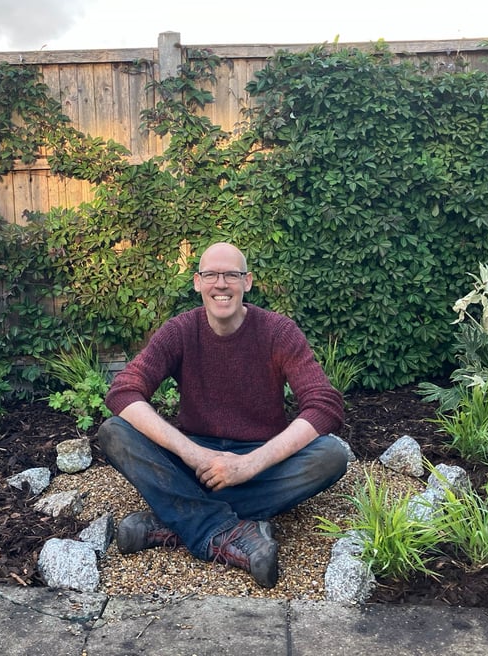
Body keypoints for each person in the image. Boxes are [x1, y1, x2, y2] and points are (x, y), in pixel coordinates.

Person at [97, 242, 347, 589]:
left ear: (247, 282)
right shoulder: (180, 331)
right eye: (212, 274)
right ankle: (233, 530)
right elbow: (123, 390)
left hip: (260, 459)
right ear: (198, 282)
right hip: (195, 459)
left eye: (232, 274)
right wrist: (193, 454)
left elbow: (324, 404)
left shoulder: (278, 331)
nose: (221, 284)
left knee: (331, 454)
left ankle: (176, 517)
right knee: (115, 431)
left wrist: (249, 465)